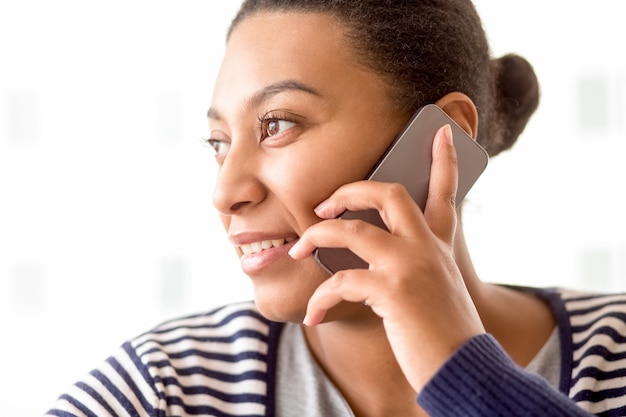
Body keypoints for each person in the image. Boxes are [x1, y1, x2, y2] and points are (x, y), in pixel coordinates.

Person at [45, 1, 626, 416]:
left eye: (277, 124)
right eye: (220, 144)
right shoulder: (168, 389)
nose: (226, 192)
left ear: (441, 136)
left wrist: (465, 376)